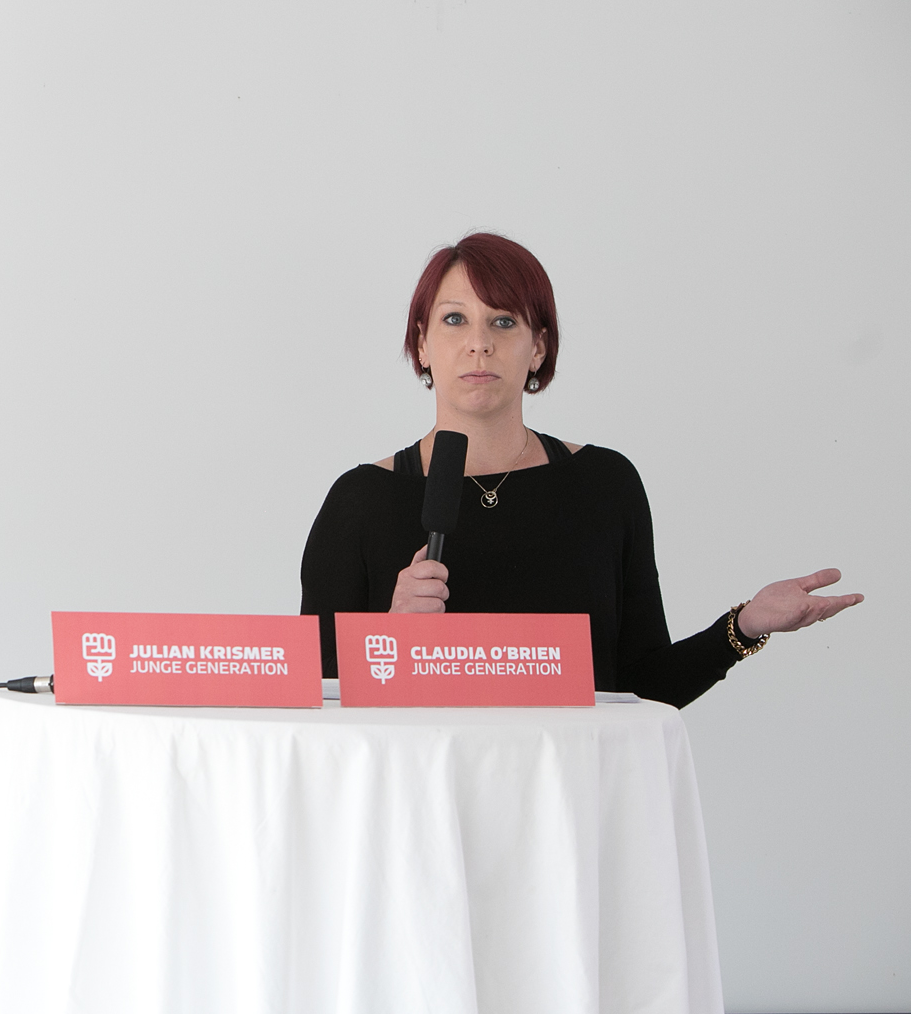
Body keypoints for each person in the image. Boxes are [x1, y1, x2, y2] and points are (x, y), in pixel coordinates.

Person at [299, 231, 860, 706]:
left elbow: (642, 687)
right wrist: (390, 637)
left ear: (539, 348)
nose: (479, 344)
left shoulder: (604, 485)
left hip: (573, 792)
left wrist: (743, 627)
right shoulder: (360, 500)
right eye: (454, 320)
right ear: (422, 344)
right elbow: (314, 706)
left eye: (503, 322)